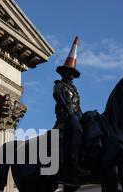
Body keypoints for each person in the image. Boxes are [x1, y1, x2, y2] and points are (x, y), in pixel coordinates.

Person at [53, 36, 89, 176]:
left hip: (76, 115)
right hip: (65, 118)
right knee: (77, 128)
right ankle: (73, 162)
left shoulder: (75, 90)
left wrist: (82, 114)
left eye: (73, 74)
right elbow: (57, 96)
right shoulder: (59, 85)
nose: (71, 76)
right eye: (69, 73)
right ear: (64, 73)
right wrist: (68, 110)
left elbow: (78, 105)